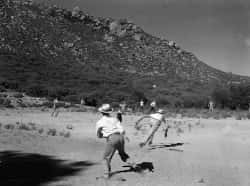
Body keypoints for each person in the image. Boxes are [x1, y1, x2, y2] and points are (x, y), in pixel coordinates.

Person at [96, 104, 135, 178]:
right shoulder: (115, 119)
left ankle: (106, 175)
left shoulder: (100, 122)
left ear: (101, 112)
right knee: (122, 154)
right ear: (109, 112)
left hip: (112, 138)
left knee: (105, 158)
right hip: (121, 137)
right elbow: (122, 130)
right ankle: (134, 165)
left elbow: (98, 135)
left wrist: (102, 134)